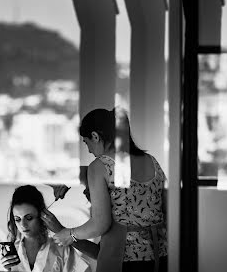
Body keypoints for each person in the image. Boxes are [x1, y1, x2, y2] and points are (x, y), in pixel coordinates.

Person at [52, 108, 168, 272]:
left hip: (122, 258)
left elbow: (100, 224)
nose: (90, 150)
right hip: (159, 255)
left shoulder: (99, 167)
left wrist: (69, 234)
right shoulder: (151, 161)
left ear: (95, 136)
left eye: (87, 143)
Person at [0, 185, 91, 272]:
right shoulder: (10, 253)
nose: (23, 225)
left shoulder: (61, 250)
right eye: (17, 219)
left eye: (29, 218)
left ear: (41, 216)